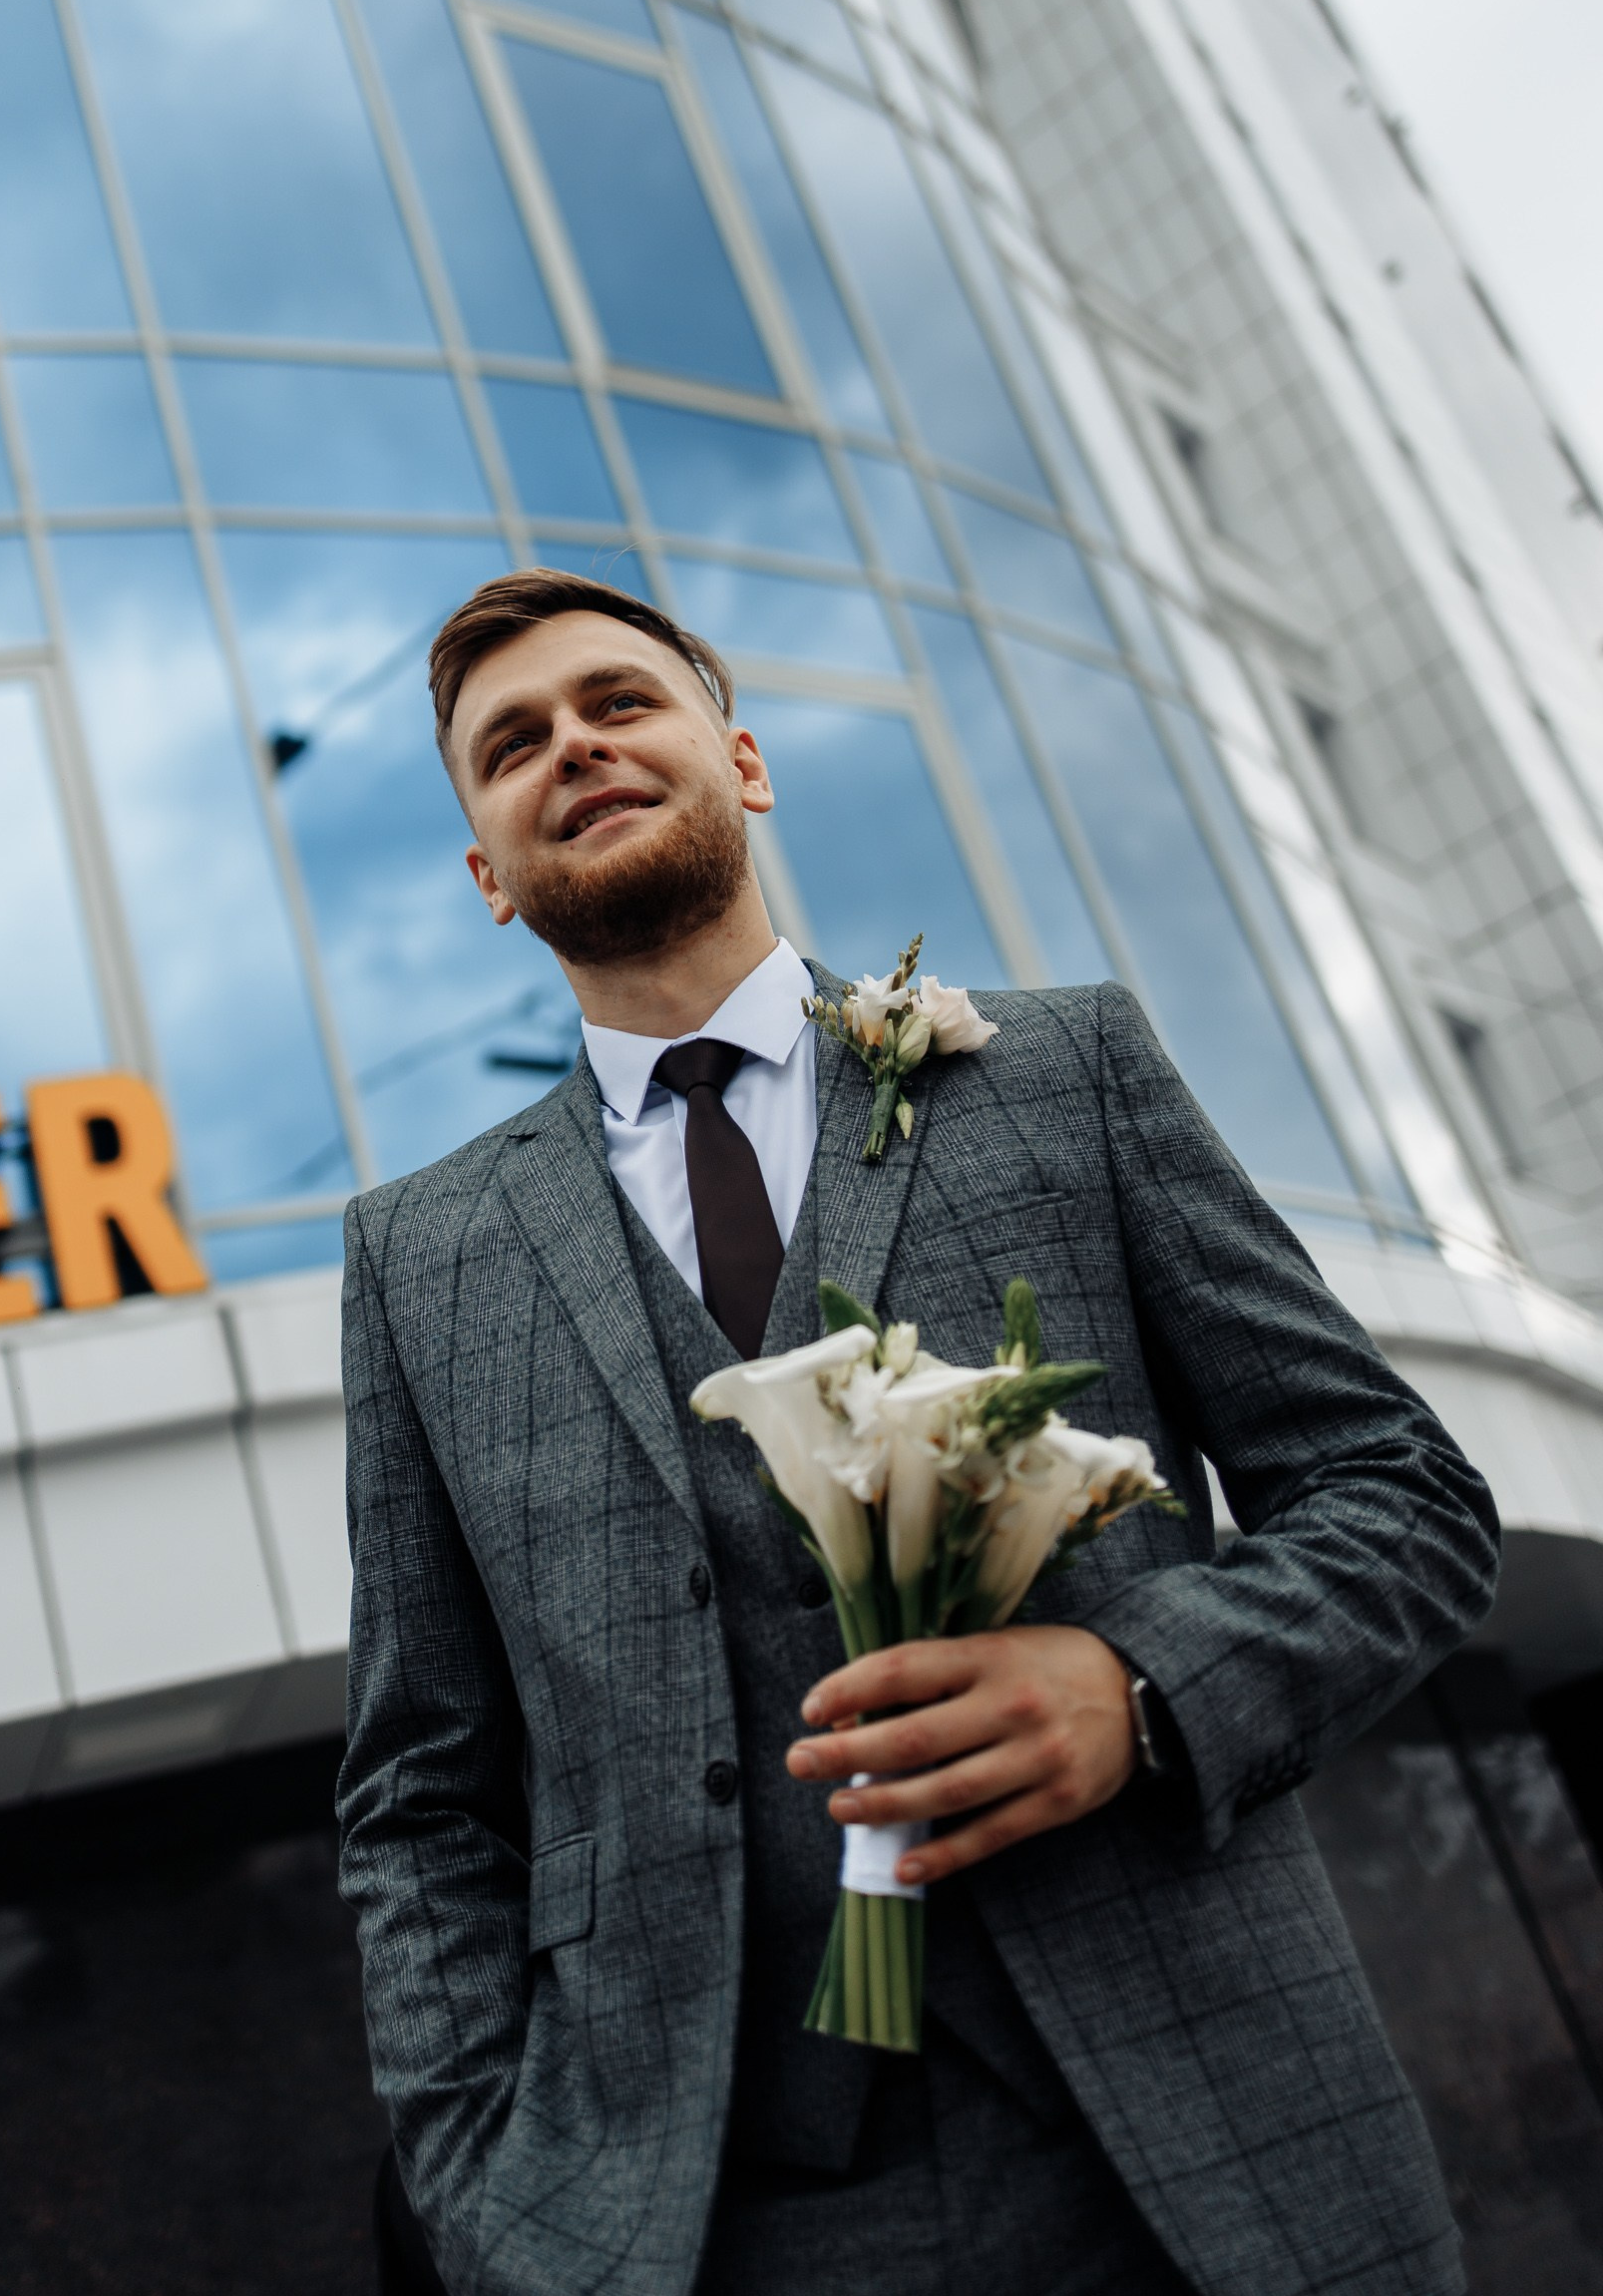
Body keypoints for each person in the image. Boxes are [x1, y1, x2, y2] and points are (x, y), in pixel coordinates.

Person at [337, 569, 1496, 2296]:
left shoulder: (1064, 1072)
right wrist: (490, 2201)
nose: (573, 745)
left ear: (743, 763)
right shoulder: (418, 1259)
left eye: (619, 703)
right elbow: (421, 1789)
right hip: (723, 2219)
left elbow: (1403, 1495)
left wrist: (1140, 1687)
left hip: (1215, 2141)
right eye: (513, 745)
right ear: (489, 874)